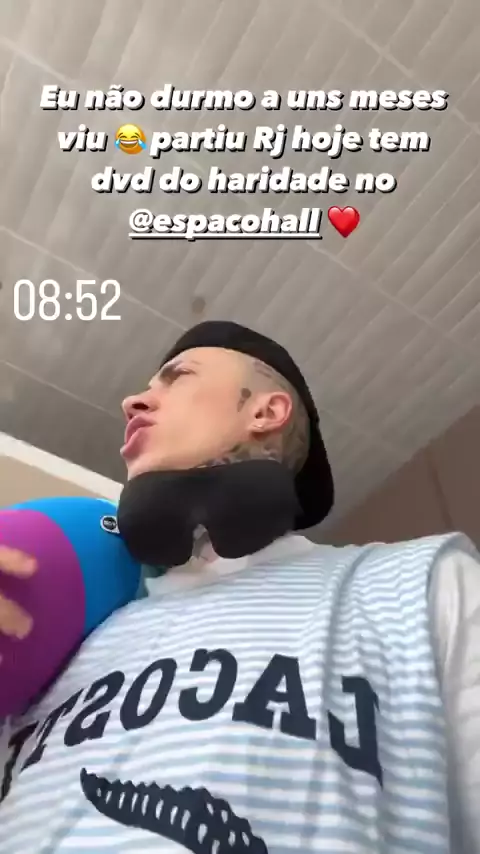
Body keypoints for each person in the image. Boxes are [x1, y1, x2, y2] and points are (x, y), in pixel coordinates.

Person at [0, 319, 479, 854]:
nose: (133, 402)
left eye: (178, 376)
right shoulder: (68, 639)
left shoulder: (417, 585)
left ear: (266, 412)